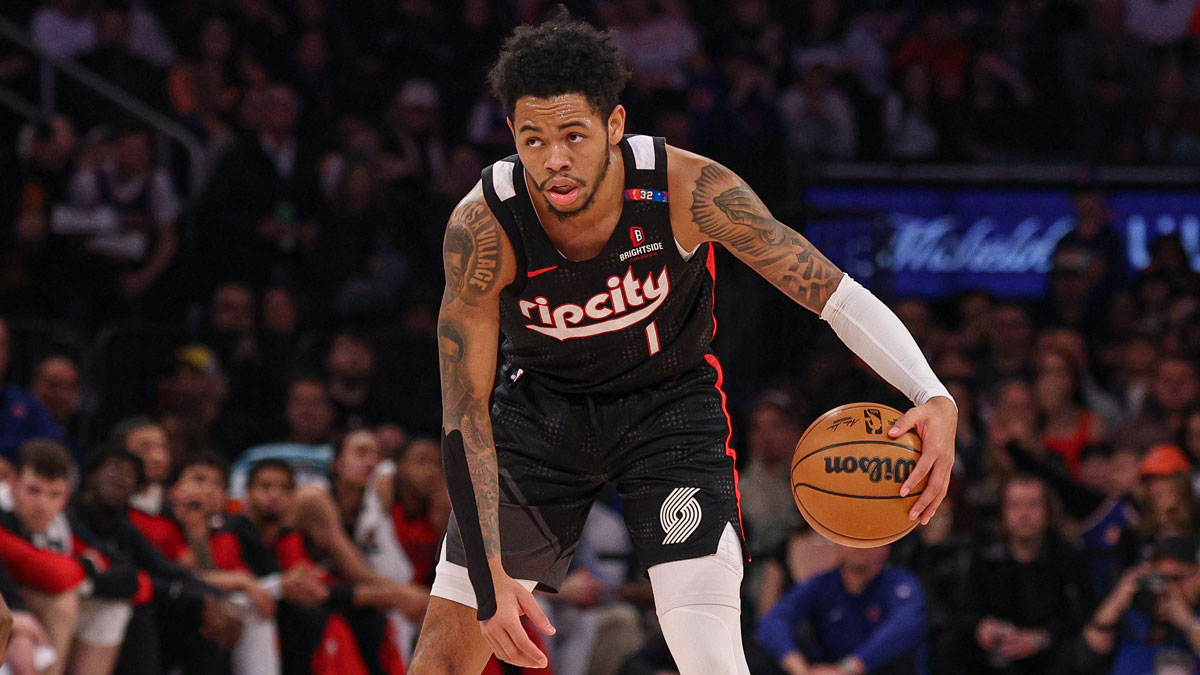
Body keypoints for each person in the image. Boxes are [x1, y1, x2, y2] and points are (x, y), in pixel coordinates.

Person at [410, 14, 958, 675]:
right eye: (533, 138)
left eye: (574, 135)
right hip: (540, 418)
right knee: (442, 660)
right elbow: (463, 409)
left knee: (712, 662)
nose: (554, 158)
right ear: (511, 137)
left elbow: (828, 291)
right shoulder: (483, 227)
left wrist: (931, 391)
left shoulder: (685, 189)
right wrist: (491, 570)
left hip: (665, 411)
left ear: (614, 126)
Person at [756, 544, 928, 675]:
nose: (859, 545)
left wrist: (848, 667)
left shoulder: (900, 583)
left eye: (869, 539)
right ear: (838, 544)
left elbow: (905, 626)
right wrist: (799, 668)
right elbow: (774, 620)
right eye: (852, 537)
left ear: (887, 547)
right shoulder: (823, 583)